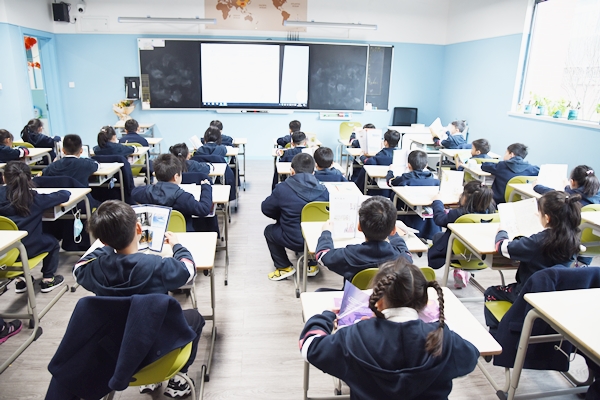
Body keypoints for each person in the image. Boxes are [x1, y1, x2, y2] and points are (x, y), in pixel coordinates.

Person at [73, 200, 204, 398]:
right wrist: (178, 246)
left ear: (103, 241)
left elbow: (78, 267)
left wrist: (106, 245)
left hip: (116, 350)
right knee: (195, 318)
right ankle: (179, 380)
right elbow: (188, 270)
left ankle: (151, 381)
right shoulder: (155, 266)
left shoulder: (94, 269)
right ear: (138, 228)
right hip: (157, 347)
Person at [299, 257, 479, 400]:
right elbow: (471, 358)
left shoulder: (354, 337)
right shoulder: (442, 339)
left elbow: (308, 345)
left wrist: (326, 316)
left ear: (378, 301)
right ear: (425, 302)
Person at [484, 191, 581, 327]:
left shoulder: (538, 241)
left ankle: (499, 332)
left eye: (539, 212)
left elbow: (502, 247)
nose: (537, 214)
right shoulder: (574, 239)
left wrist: (502, 231)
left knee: (490, 293)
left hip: (528, 293)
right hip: (556, 294)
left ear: (547, 218)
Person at [0, 162, 68, 292]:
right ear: (29, 179)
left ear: (4, 178)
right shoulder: (34, 198)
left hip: (4, 252)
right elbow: (64, 195)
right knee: (53, 242)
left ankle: (21, 280)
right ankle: (48, 279)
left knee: (16, 244)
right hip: (29, 249)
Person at [262, 153, 329, 281]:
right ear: (313, 172)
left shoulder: (282, 189)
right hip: (316, 241)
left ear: (292, 171)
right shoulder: (325, 191)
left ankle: (284, 267)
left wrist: (280, 216)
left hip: (293, 240)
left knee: (269, 230)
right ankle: (311, 264)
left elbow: (266, 209)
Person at [316, 196, 412, 282]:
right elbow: (405, 251)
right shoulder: (402, 259)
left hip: (354, 296)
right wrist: (394, 235)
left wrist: (326, 233)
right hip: (387, 297)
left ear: (359, 227)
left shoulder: (350, 254)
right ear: (394, 230)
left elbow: (322, 255)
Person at [429, 181, 496, 287]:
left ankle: (461, 268)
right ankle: (463, 271)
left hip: (459, 253)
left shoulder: (459, 214)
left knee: (438, 237)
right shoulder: (492, 213)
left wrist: (437, 202)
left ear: (466, 197)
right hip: (483, 254)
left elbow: (440, 219)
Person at [132, 154, 216, 233]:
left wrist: (154, 186)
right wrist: (206, 187)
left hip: (155, 235)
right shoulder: (183, 197)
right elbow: (204, 209)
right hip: (182, 236)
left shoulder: (145, 192)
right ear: (176, 177)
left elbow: (134, 192)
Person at [386, 150, 441, 240]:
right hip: (431, 223)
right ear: (426, 165)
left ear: (409, 165)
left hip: (408, 220)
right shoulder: (435, 181)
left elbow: (390, 182)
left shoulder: (405, 179)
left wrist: (390, 171)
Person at [534, 165, 600, 206]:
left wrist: (536, 186)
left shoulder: (571, 195)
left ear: (572, 182)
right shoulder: (597, 196)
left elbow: (553, 193)